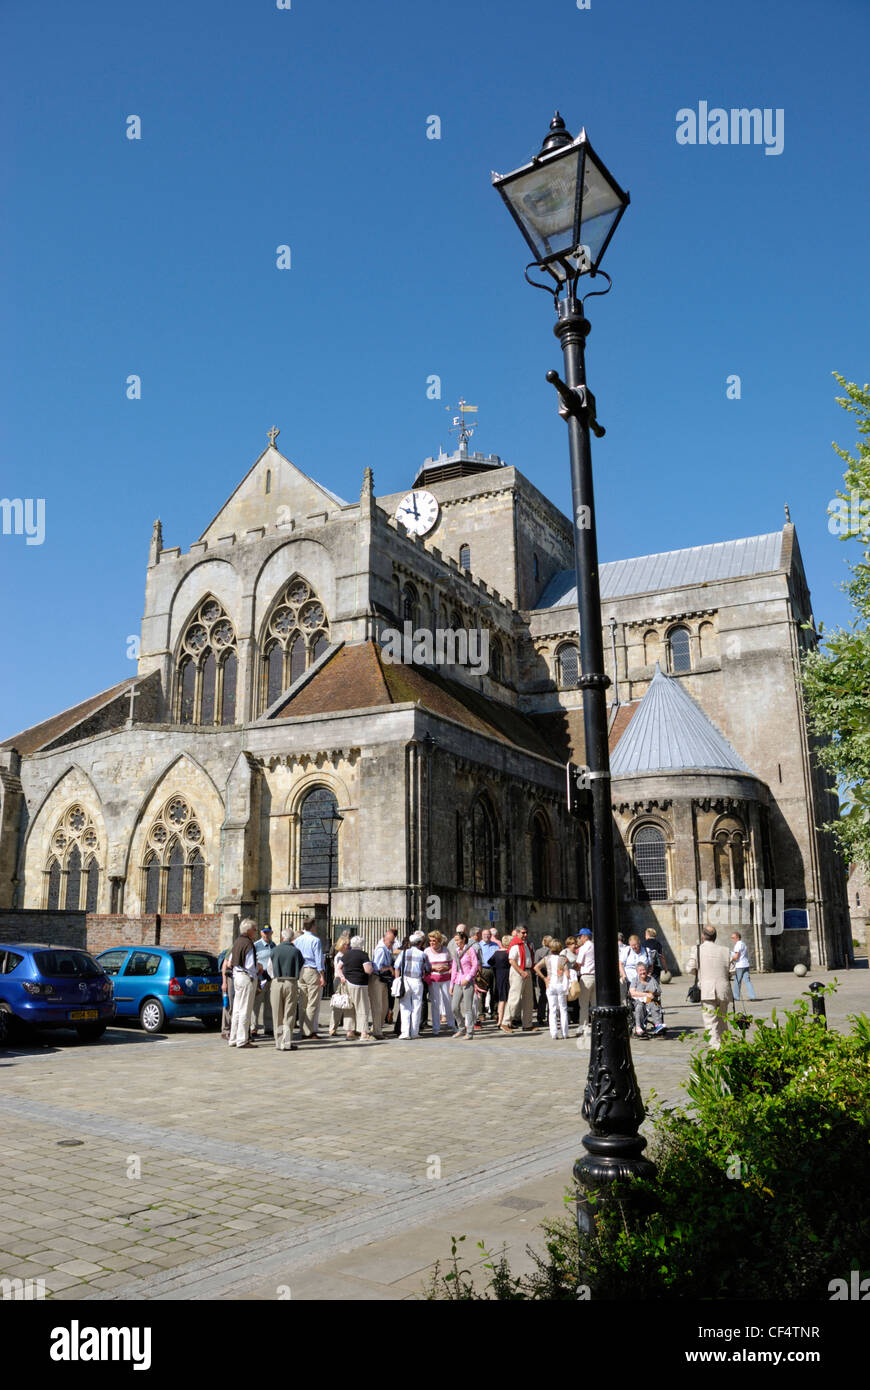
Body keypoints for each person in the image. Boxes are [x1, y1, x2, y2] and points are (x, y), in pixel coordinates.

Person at [688, 925, 732, 1049]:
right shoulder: (725, 950)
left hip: (707, 990)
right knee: (723, 1020)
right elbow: (732, 970)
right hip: (723, 989)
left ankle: (715, 1049)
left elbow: (690, 968)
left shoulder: (696, 949)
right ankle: (725, 1047)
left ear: (703, 936)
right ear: (715, 937)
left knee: (710, 1021)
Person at [227, 919, 260, 1048]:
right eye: (254, 929)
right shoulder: (248, 944)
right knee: (245, 1009)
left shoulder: (237, 942)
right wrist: (255, 975)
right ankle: (242, 1040)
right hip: (246, 977)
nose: (255, 932)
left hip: (236, 976)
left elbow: (230, 962)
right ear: (248, 930)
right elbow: (250, 965)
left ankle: (233, 1038)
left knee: (237, 1009)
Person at [336, 935, 374, 1039]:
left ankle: (350, 1032)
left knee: (349, 1008)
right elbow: (368, 970)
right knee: (362, 1008)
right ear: (362, 945)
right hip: (360, 983)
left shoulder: (347, 955)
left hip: (348, 983)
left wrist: (342, 977)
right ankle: (363, 1032)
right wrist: (372, 968)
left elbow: (338, 967)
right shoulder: (363, 955)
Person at [270, 927, 302, 1051]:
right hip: (291, 982)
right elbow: (301, 967)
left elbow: (270, 968)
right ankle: (287, 1042)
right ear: (292, 938)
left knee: (277, 1013)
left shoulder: (274, 950)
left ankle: (278, 1042)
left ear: (282, 938)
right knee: (289, 1014)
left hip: (277, 981)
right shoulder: (296, 951)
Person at [294, 918, 326, 1039]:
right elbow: (318, 959)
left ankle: (303, 1028)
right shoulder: (315, 940)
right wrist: (322, 975)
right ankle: (309, 1031)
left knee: (303, 1001)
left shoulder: (298, 940)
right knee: (312, 1002)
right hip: (312, 970)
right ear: (312, 926)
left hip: (301, 970)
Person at [504, 925, 537, 1033]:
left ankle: (527, 1024)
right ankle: (506, 1022)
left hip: (527, 971)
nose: (525, 935)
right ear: (517, 933)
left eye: (526, 932)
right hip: (519, 972)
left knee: (528, 999)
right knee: (514, 997)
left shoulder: (526, 944)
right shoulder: (515, 945)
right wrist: (521, 972)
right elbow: (511, 960)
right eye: (523, 933)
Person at [534, 938, 570, 1039]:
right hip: (560, 985)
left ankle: (554, 1033)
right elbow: (567, 974)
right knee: (563, 1009)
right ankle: (565, 1032)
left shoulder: (546, 958)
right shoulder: (563, 959)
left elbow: (536, 967)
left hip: (550, 984)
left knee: (552, 1009)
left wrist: (544, 978)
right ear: (560, 948)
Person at [394, 932, 427, 1039]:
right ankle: (414, 1032)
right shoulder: (422, 954)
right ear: (420, 943)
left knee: (404, 1007)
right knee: (417, 1007)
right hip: (417, 981)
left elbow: (396, 966)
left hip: (405, 980)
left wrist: (397, 979)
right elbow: (427, 968)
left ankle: (405, 1033)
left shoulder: (403, 953)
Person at [423, 930, 455, 1035]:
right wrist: (433, 967)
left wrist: (446, 967)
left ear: (439, 941)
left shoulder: (446, 950)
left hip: (445, 978)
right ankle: (436, 1026)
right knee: (435, 1003)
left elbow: (452, 964)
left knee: (448, 1002)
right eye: (430, 941)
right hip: (433, 979)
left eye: (434, 940)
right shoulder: (426, 951)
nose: (432, 942)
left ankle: (451, 1024)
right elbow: (424, 966)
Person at [450, 929, 480, 1039]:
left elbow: (475, 965)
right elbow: (454, 968)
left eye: (458, 940)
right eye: (455, 941)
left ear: (464, 939)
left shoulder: (470, 950)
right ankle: (461, 1028)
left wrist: (468, 978)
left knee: (468, 1008)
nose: (457, 942)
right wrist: (451, 984)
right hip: (458, 981)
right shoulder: (456, 951)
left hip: (468, 982)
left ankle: (470, 1032)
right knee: (454, 1007)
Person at [369, 928, 396, 1039]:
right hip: (377, 979)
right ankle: (376, 1032)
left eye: (393, 942)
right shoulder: (381, 949)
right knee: (378, 1006)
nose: (392, 944)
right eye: (391, 942)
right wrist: (389, 967)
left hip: (383, 980)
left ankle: (377, 1028)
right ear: (385, 940)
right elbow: (377, 967)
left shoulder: (386, 949)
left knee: (385, 1007)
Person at [250, 924, 275, 1038]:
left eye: (268, 932)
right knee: (256, 1003)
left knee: (269, 1004)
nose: (266, 934)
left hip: (270, 977)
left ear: (271, 933)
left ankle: (268, 1027)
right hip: (260, 977)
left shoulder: (274, 945)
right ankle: (253, 1027)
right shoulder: (256, 945)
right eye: (264, 932)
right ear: (261, 933)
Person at [629, 962, 666, 1037]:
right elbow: (632, 993)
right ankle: (639, 1027)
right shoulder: (635, 980)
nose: (642, 972)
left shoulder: (652, 979)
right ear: (637, 972)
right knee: (639, 1005)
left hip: (650, 1001)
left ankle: (658, 1025)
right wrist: (645, 994)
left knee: (654, 1005)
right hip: (637, 1001)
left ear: (646, 970)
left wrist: (653, 994)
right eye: (640, 970)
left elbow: (658, 992)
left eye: (644, 970)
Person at [328, 934, 354, 1036]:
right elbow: (341, 970)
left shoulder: (344, 955)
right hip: (340, 980)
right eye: (347, 944)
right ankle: (333, 1027)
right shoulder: (340, 956)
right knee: (339, 1005)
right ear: (343, 945)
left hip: (342, 980)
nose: (349, 946)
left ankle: (342, 1027)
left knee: (345, 1004)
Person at [575, 927, 595, 1038]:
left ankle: (584, 1027)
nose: (579, 939)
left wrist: (572, 970)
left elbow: (579, 963)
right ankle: (596, 1025)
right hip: (595, 977)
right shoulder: (595, 946)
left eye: (580, 936)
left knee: (583, 1004)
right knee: (594, 1003)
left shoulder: (584, 947)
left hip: (586, 977)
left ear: (585, 937)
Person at [619, 933, 651, 1001]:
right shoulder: (627, 950)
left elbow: (651, 965)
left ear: (639, 943)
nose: (634, 947)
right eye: (632, 945)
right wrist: (623, 975)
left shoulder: (646, 950)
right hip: (629, 979)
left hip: (643, 979)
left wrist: (649, 975)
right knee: (622, 984)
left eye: (635, 945)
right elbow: (620, 963)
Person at [490, 933, 512, 1030]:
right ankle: (505, 1021)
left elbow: (490, 962)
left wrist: (496, 967)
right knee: (507, 1000)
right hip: (507, 976)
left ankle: (499, 1020)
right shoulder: (509, 953)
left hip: (499, 976)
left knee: (501, 1000)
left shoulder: (497, 953)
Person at [730, 932, 756, 1001]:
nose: (732, 939)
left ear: (738, 938)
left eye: (733, 938)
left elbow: (736, 957)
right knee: (747, 981)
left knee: (737, 981)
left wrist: (730, 959)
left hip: (739, 965)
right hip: (746, 965)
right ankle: (752, 996)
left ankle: (736, 996)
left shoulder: (737, 945)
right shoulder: (743, 944)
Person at [533, 935, 552, 1026]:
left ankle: (540, 1016)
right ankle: (550, 1017)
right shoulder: (552, 952)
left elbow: (536, 963)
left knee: (542, 996)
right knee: (550, 996)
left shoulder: (538, 951)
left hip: (540, 974)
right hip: (549, 974)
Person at [219, 947, 233, 1038]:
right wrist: (224, 983)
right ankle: (225, 1030)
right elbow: (225, 965)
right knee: (228, 1005)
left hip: (237, 979)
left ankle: (231, 1029)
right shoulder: (233, 948)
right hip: (230, 979)